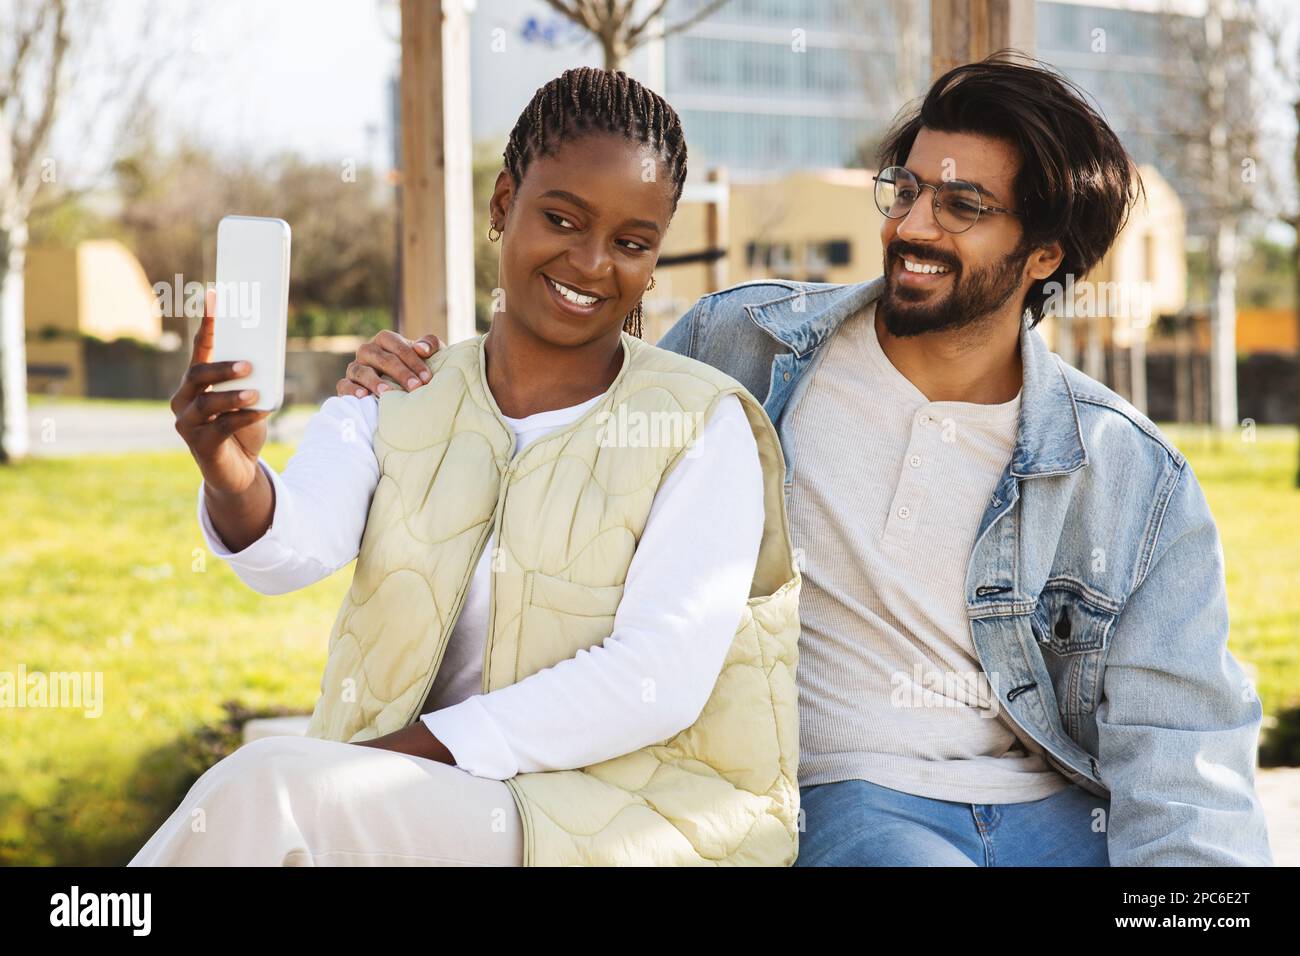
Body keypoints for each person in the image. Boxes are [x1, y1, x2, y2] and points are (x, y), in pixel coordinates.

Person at [345, 55, 1272, 866]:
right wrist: (428, 379)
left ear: (1043, 254)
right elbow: (574, 380)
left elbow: (1181, 752)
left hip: (1062, 822)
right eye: (906, 191)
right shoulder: (744, 346)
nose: (913, 227)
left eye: (962, 207)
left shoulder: (1129, 475)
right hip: (858, 801)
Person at [132, 67, 801, 867]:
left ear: (654, 257)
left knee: (270, 786)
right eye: (562, 218)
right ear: (501, 203)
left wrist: (393, 757)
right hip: (411, 799)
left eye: (631, 243)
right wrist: (229, 469)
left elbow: (655, 677)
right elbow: (290, 550)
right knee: (272, 789)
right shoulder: (399, 387)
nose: (592, 264)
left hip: (624, 818)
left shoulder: (702, 423)